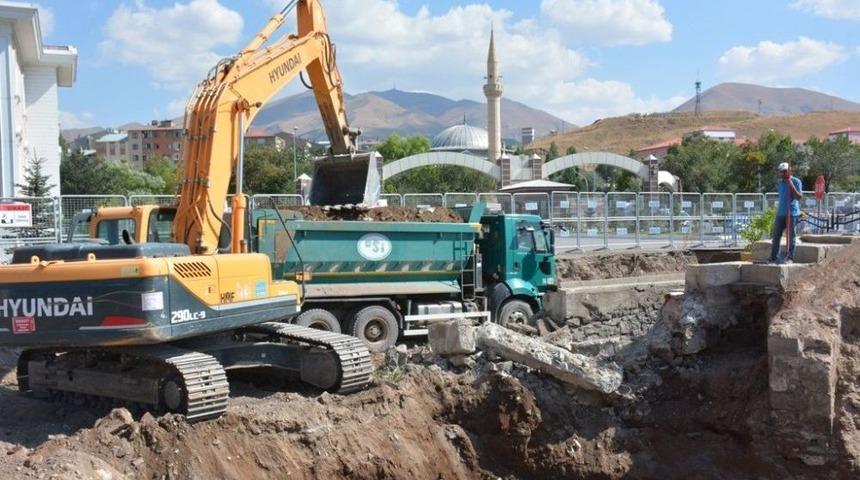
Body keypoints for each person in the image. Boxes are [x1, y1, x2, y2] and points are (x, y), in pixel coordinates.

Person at [769, 162, 802, 264]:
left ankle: (790, 257)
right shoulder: (780, 183)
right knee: (776, 235)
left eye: (784, 171)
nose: (782, 174)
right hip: (781, 213)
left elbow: (799, 197)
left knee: (791, 236)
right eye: (780, 172)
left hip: (792, 213)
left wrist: (790, 184)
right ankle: (774, 257)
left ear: (789, 171)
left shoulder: (796, 181)